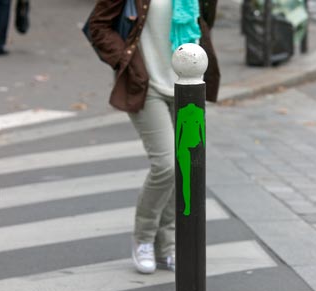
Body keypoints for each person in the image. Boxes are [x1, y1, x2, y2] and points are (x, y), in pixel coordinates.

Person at [89, 0, 220, 274]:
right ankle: (144, 238)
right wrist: (125, 59)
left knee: (183, 167)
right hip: (146, 85)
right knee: (167, 166)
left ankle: (168, 245)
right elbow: (98, 26)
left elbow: (204, 21)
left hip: (189, 85)